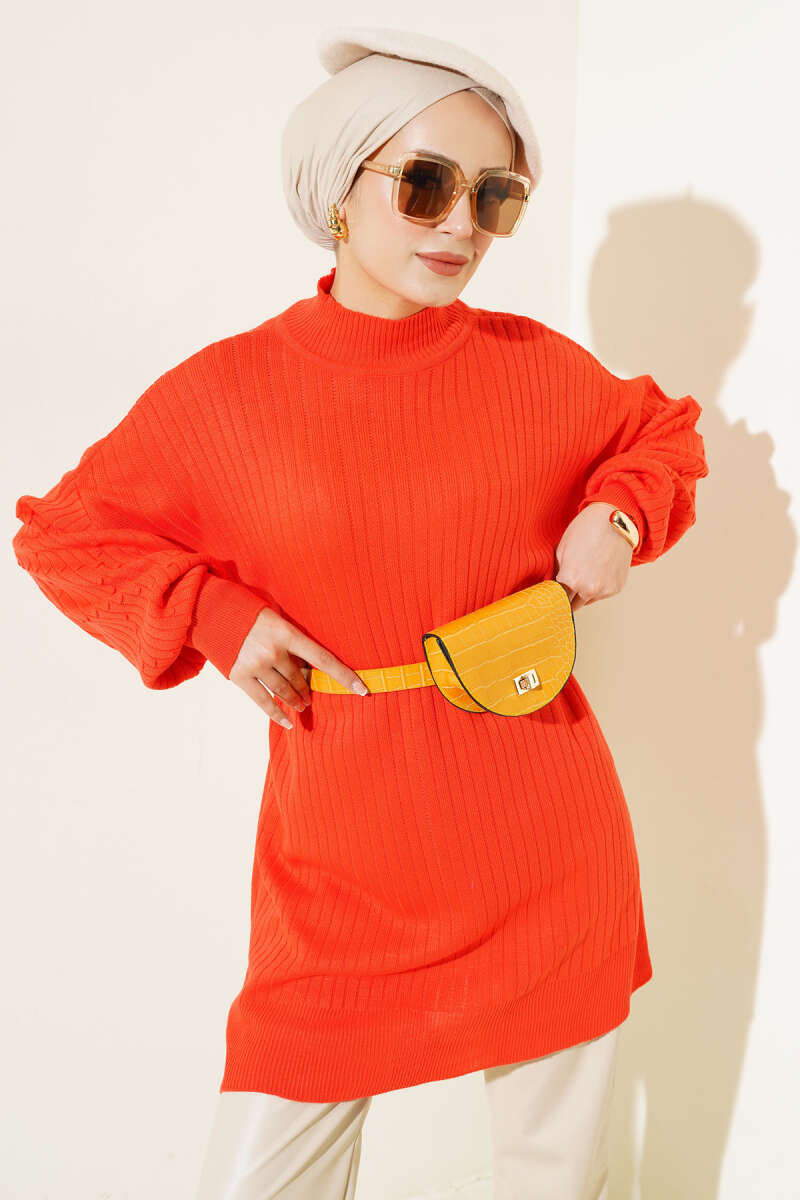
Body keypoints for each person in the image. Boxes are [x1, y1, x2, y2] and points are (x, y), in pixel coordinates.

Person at [11, 25, 710, 1200]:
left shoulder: (533, 368)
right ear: (339, 190)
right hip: (336, 870)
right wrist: (217, 616)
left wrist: (620, 515)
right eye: (425, 184)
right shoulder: (227, 393)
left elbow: (660, 434)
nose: (460, 225)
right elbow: (62, 531)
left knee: (558, 1182)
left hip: (543, 843)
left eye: (493, 196)